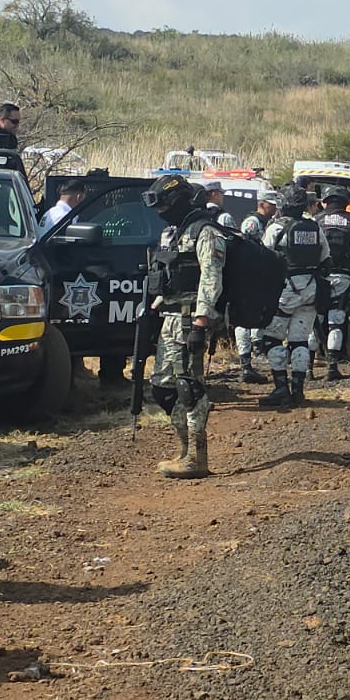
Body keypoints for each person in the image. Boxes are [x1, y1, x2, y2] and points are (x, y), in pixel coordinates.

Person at [144, 175, 226, 479]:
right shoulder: (173, 233)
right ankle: (183, 449)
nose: (161, 211)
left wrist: (201, 322)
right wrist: (156, 304)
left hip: (192, 319)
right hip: (170, 317)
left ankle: (197, 457)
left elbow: (210, 277)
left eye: (165, 204)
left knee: (190, 387)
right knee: (163, 389)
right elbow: (171, 272)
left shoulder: (206, 232)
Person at [258, 184, 327, 407]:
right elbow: (326, 258)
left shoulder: (276, 228)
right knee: (300, 341)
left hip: (284, 291)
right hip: (310, 290)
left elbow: (264, 258)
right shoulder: (314, 227)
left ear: (283, 204)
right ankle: (298, 391)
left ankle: (281, 389)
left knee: (271, 340)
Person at [316, 185, 350, 381]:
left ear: (325, 201)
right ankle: (332, 367)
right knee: (336, 321)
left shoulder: (316, 221)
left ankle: (307, 369)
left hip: (318, 278)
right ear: (347, 202)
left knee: (314, 319)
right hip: (343, 277)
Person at [235, 188, 278, 384]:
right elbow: (247, 249)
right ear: (262, 204)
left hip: (262, 275)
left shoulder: (269, 222)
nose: (275, 208)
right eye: (272, 204)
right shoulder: (252, 222)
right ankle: (246, 361)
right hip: (249, 276)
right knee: (244, 318)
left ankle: (257, 350)